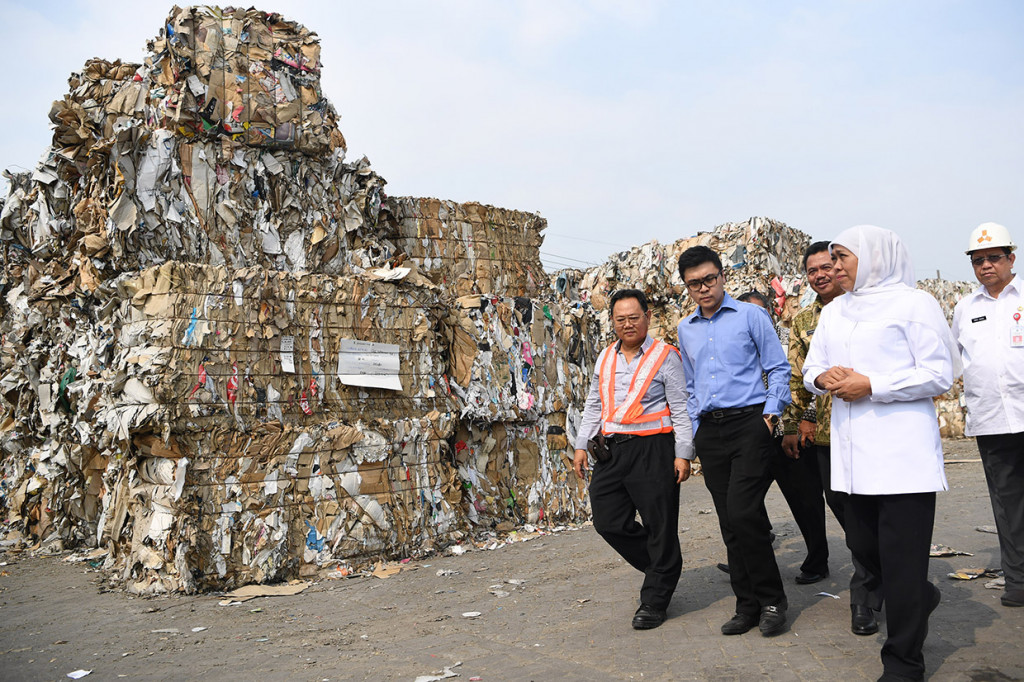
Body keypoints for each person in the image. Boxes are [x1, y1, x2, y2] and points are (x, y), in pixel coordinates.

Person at [803, 225, 959, 682]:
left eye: (842, 258)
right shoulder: (836, 311)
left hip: (902, 459)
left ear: (873, 257)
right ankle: (916, 595)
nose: (834, 267)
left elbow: (940, 372)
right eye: (831, 258)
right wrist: (824, 377)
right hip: (852, 461)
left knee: (902, 560)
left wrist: (874, 384)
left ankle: (904, 662)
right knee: (867, 548)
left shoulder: (915, 305)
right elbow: (812, 366)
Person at [676, 246, 792, 637]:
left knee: (744, 511)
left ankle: (773, 599)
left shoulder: (751, 315)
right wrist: (691, 435)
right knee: (730, 520)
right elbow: (691, 386)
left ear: (723, 276)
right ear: (687, 287)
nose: (704, 288)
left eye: (710, 279)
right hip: (710, 430)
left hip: (750, 424)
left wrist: (770, 414)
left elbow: (778, 368)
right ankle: (747, 606)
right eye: (695, 283)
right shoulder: (685, 328)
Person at [573, 288, 694, 630]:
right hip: (612, 451)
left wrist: (683, 454)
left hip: (654, 449)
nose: (627, 324)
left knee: (660, 524)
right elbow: (594, 403)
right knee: (608, 520)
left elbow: (682, 408)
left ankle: (654, 599)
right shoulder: (605, 357)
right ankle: (664, 567)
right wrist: (582, 444)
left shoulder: (665, 355)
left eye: (634, 317)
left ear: (648, 317)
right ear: (612, 321)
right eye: (620, 319)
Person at [781, 241, 882, 636]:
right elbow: (797, 376)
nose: (822, 275)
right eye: (813, 271)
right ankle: (877, 581)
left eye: (828, 266)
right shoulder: (806, 319)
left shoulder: (872, 309)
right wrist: (792, 424)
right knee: (846, 512)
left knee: (877, 511)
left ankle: (870, 595)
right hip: (826, 435)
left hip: (875, 427)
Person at [952, 222, 1024, 609]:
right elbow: (952, 362)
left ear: (1011, 258)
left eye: (994, 257)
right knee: (1008, 505)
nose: (985, 266)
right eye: (978, 260)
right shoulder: (965, 309)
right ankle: (1018, 581)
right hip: (992, 420)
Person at [737, 289, 830, 589]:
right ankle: (748, 556)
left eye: (758, 313)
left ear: (770, 313)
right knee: (743, 501)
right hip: (754, 436)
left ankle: (818, 561)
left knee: (806, 502)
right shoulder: (736, 344)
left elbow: (809, 383)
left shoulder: (788, 339)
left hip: (788, 435)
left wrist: (804, 422)